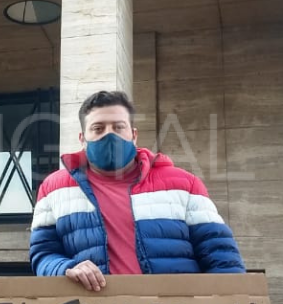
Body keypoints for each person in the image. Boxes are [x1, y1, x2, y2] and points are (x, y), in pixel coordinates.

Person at [29, 90, 245, 290]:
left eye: (118, 127)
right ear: (82, 138)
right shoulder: (53, 189)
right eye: (98, 128)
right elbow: (43, 254)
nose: (109, 135)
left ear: (133, 135)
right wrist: (66, 268)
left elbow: (221, 256)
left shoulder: (184, 184)